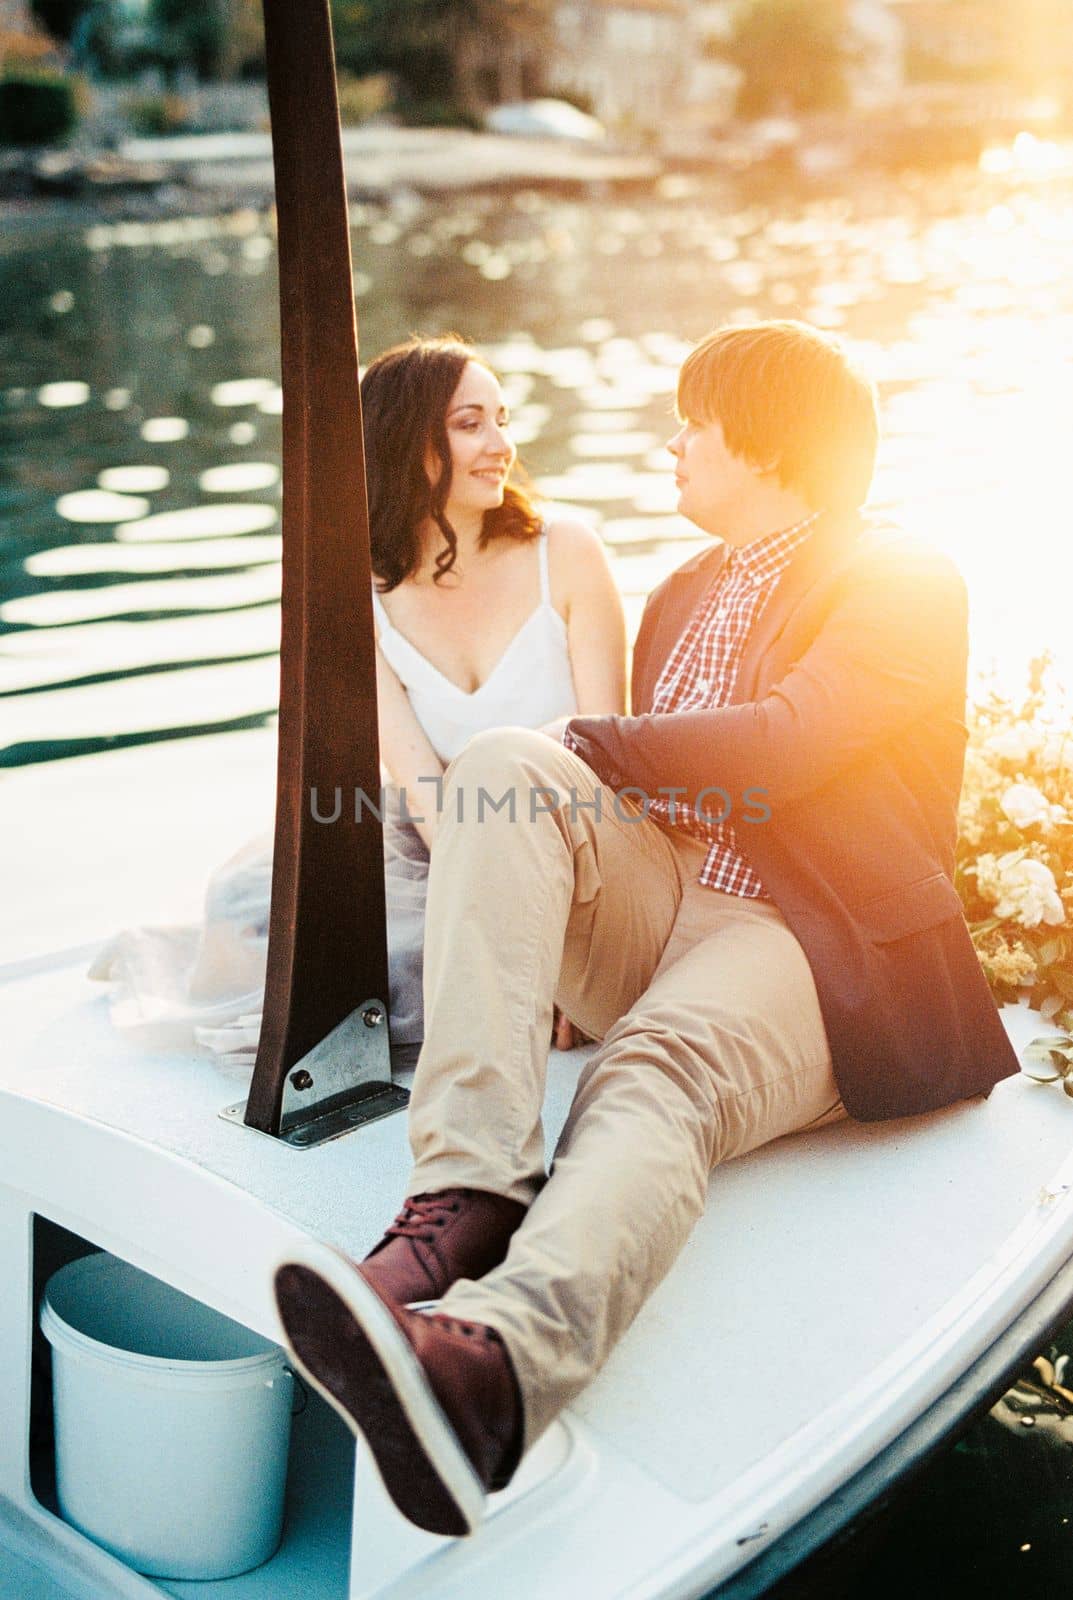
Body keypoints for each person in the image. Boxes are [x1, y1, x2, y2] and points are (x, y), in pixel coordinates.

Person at [272, 320, 1019, 1538]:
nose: (671, 442)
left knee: (650, 1068)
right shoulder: (680, 592)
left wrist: (585, 744)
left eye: (694, 422)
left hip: (810, 940)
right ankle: (461, 1195)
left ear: (765, 440)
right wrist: (542, 836)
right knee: (503, 763)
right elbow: (622, 800)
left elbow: (787, 741)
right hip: (664, 899)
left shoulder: (900, 574)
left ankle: (495, 1368)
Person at [90, 335, 625, 1063]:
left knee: (473, 970)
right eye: (470, 424)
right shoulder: (356, 591)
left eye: (501, 418)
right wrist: (488, 910)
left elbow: (607, 766)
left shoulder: (563, 549)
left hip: (574, 838)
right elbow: (421, 785)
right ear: (405, 440)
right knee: (255, 908)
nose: (501, 443)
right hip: (439, 831)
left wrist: (565, 949)